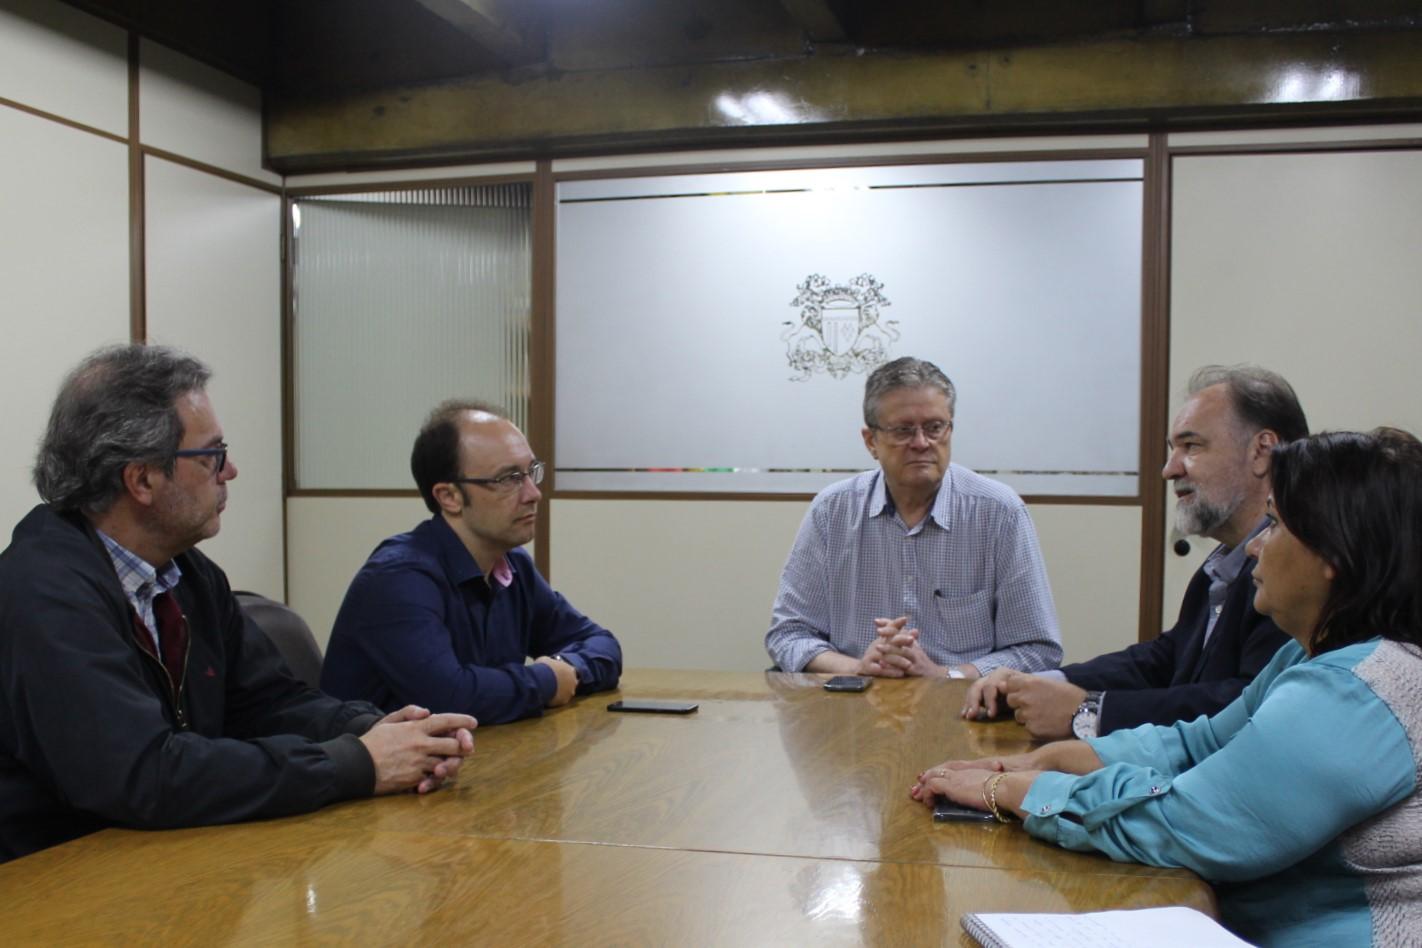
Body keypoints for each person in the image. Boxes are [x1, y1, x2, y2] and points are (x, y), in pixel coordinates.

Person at [913, 428, 1422, 945]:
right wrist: (1054, 759)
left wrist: (1016, 792)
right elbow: (1197, 743)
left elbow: (1191, 825)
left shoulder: (1357, 693)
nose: (1255, 548)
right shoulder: (1313, 652)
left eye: (1274, 523)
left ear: (1331, 554)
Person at [0, 345, 476, 863]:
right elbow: (142, 774)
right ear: (141, 479)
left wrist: (376, 731)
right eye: (211, 456)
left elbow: (267, 702)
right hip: (55, 884)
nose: (230, 473)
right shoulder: (43, 591)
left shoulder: (187, 572)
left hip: (169, 856)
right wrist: (355, 764)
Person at [962, 365, 1304, 738]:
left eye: (1191, 446)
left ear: (1262, 451)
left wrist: (1088, 713)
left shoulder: (1295, 569)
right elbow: (1165, 658)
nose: (1169, 470)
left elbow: (1246, 704)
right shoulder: (1223, 561)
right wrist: (1038, 682)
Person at [321, 400, 621, 725]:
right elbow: (450, 698)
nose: (533, 492)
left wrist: (568, 668)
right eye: (508, 479)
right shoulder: (398, 578)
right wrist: (548, 680)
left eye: (532, 472)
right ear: (449, 497)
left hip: (479, 759)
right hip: (382, 773)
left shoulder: (512, 565)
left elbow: (603, 645)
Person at [765, 356, 1062, 679]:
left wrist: (947, 676)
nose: (921, 443)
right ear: (871, 442)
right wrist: (860, 669)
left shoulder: (999, 512)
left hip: (964, 708)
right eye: (903, 430)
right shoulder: (831, 511)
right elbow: (788, 634)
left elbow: (1037, 650)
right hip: (852, 705)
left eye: (934, 428)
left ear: (950, 429)